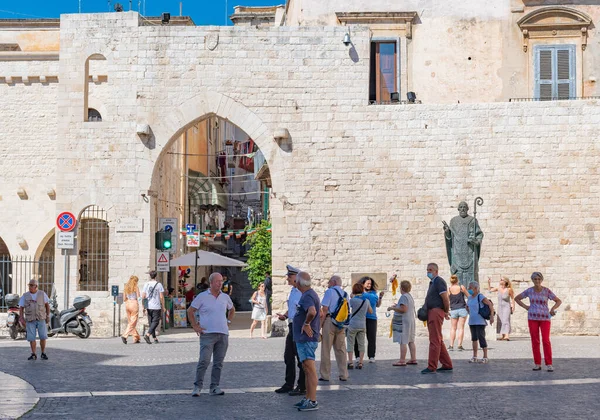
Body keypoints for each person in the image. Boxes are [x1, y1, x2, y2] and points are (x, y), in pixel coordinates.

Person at [188, 272, 235, 396]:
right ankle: (197, 387)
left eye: (221, 281)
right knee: (204, 360)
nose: (220, 283)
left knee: (218, 363)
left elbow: (232, 309)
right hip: (207, 333)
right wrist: (195, 326)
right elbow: (190, 311)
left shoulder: (225, 297)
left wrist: (228, 321)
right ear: (211, 283)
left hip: (223, 334)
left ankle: (214, 386)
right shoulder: (202, 296)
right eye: (217, 281)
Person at [515, 272, 562, 372]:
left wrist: (552, 309)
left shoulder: (546, 291)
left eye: (539, 279)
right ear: (532, 280)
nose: (537, 281)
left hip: (545, 318)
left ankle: (549, 364)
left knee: (546, 340)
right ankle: (537, 363)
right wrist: (526, 307)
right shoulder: (529, 291)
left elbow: (558, 301)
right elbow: (517, 298)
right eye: (535, 279)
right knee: (535, 341)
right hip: (532, 318)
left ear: (541, 280)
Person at [275, 265, 305, 396]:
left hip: (299, 327)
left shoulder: (302, 292)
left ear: (296, 278)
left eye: (290, 276)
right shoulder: (293, 291)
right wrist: (285, 316)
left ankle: (302, 385)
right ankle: (289, 383)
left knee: (301, 357)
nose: (287, 278)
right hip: (292, 326)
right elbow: (292, 308)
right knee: (288, 356)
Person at [293, 271, 321, 412]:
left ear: (298, 283)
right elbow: (320, 313)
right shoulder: (309, 294)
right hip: (305, 338)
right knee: (306, 368)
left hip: (306, 338)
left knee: (309, 369)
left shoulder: (308, 296)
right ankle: (308, 397)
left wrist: (307, 324)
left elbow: (313, 312)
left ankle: (313, 400)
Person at [443, 201, 484, 288]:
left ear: (467, 209)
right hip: (457, 254)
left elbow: (479, 234)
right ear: (458, 209)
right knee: (458, 278)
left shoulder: (473, 220)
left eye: (464, 207)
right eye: (460, 207)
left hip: (469, 254)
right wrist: (447, 231)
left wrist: (475, 241)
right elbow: (450, 238)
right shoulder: (453, 221)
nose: (462, 209)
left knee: (471, 279)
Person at [422, 263, 453, 374]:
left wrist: (446, 311)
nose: (428, 272)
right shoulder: (433, 282)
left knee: (434, 340)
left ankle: (432, 366)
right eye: (427, 270)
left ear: (436, 271)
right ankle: (447, 364)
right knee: (438, 340)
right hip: (433, 311)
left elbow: (445, 298)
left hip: (435, 311)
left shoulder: (439, 281)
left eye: (430, 270)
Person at [319, 275, 348, 382]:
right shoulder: (345, 294)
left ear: (334, 282)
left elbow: (325, 309)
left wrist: (320, 325)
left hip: (329, 321)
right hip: (340, 323)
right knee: (341, 349)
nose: (328, 284)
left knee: (326, 349)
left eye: (329, 281)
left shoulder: (329, 292)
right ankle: (343, 374)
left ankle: (325, 375)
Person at [18, 279, 50, 360]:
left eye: (32, 285)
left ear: (36, 286)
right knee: (31, 338)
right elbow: (21, 307)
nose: (30, 287)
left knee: (43, 337)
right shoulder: (25, 296)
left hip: (41, 318)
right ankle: (33, 354)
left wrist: (48, 315)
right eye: (29, 285)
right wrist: (21, 317)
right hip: (30, 319)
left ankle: (43, 353)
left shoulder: (42, 294)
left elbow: (47, 305)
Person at [353, 276, 384, 362]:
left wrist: (380, 297)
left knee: (371, 338)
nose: (369, 285)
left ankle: (371, 356)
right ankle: (358, 356)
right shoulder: (358, 293)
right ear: (363, 284)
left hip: (372, 318)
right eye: (368, 283)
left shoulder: (374, 293)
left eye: (370, 284)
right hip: (361, 317)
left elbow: (377, 305)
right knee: (358, 337)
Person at [388, 280, 417, 366]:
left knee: (403, 340)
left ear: (401, 288)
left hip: (404, 321)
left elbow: (403, 309)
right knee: (411, 340)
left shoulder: (403, 297)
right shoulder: (409, 296)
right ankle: (413, 358)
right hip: (411, 320)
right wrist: (397, 306)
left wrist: (392, 308)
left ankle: (402, 360)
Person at [466, 281, 494, 363]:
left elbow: (490, 304)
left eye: (470, 288)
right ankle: (474, 356)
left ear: (475, 288)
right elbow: (469, 308)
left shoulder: (480, 296)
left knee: (481, 338)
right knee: (474, 339)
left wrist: (491, 316)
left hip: (480, 321)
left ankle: (485, 356)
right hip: (472, 321)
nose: (469, 289)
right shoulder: (470, 298)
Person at [346, 282, 372, 370]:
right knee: (361, 344)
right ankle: (360, 362)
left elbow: (348, 309)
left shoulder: (352, 300)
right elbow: (370, 311)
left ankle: (350, 362)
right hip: (362, 324)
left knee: (350, 343)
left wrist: (351, 296)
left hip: (353, 324)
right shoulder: (366, 301)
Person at [488, 276, 515, 340]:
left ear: (505, 281)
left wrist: (513, 306)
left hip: (506, 306)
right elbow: (490, 290)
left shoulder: (509, 290)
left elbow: (513, 298)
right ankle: (503, 335)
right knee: (501, 320)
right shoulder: (498, 288)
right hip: (500, 307)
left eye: (501, 280)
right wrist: (489, 283)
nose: (500, 281)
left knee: (506, 320)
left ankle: (507, 335)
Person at [141, 270, 164, 344]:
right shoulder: (159, 284)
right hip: (156, 306)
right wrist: (163, 306)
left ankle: (154, 338)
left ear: (150, 276)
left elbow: (143, 296)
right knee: (156, 321)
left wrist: (143, 306)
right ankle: (147, 335)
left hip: (148, 306)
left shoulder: (146, 284)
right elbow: (161, 297)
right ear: (156, 276)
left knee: (151, 322)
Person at [448, 274, 469, 350]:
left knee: (453, 328)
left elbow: (447, 301)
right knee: (461, 328)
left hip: (453, 309)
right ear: (457, 280)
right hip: (462, 309)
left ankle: (451, 345)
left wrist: (447, 310)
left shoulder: (449, 289)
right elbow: (468, 296)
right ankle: (459, 345)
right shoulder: (461, 287)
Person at [121, 275, 141, 344]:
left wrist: (127, 300)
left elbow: (124, 298)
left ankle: (136, 337)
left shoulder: (126, 287)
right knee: (133, 322)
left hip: (127, 303)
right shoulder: (136, 287)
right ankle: (125, 335)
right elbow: (139, 297)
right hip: (134, 303)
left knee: (130, 322)